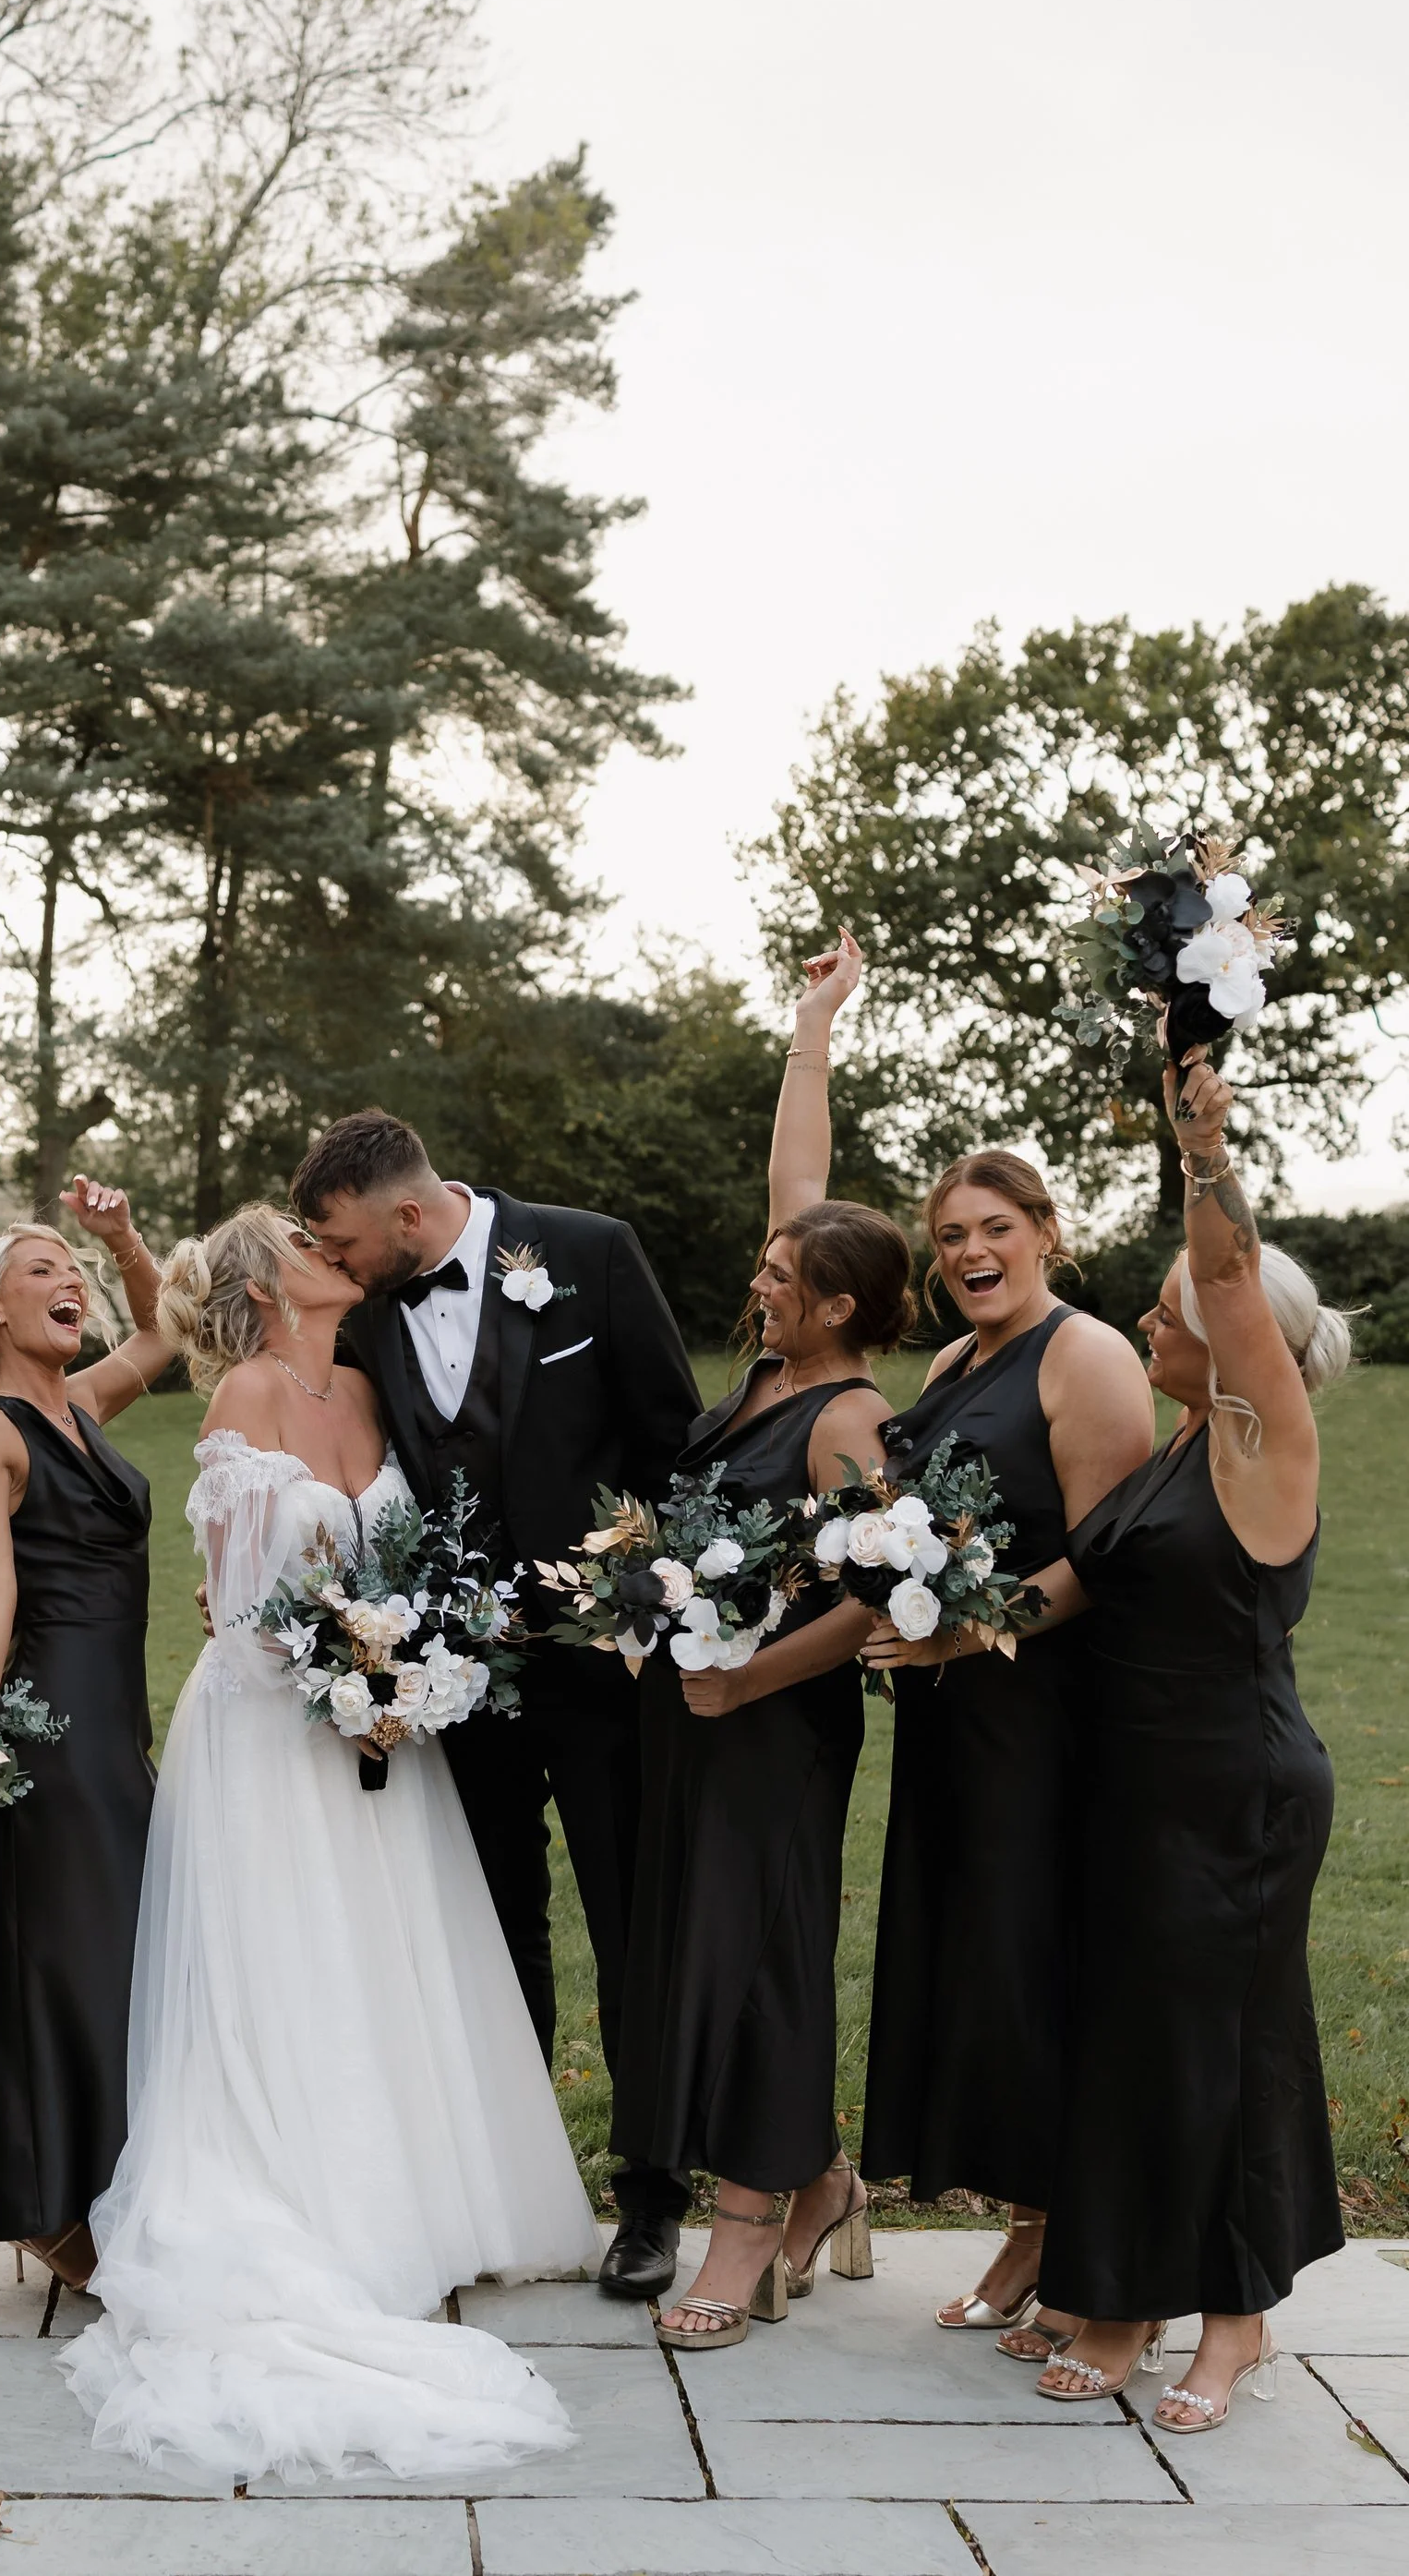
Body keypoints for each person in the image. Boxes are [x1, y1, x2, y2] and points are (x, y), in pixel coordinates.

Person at [60, 1205, 599, 2486]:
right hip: (270, 1733)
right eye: (303, 1236)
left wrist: (406, 1676)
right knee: (287, 1969)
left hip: (384, 1732)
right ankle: (307, 2213)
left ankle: (426, 2207)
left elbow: (411, 1551)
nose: (329, 1244)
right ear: (265, 1277)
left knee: (386, 1960)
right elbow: (244, 1607)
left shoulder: (369, 1380)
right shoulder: (243, 1390)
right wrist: (347, 1683)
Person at [290, 1113, 698, 2304]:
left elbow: (674, 1448)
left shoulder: (596, 1251)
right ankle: (505, 2188)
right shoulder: (369, 1311)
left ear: (406, 1216)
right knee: (488, 1928)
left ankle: (652, 2195)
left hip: (609, 1675)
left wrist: (645, 1610)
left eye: (342, 1238)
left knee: (634, 1920)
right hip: (458, 1682)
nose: (337, 1261)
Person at [1029, 1052, 1345, 2426]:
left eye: (1162, 1312)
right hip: (1134, 1785)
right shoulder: (1168, 1452)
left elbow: (1224, 1278)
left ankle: (1230, 2316)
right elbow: (1092, 1579)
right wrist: (935, 1621)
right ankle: (1124, 2287)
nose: (1145, 1327)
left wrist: (1200, 1146)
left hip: (1234, 1792)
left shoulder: (1256, 1445)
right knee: (1137, 2039)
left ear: (1225, 1340)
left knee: (1221, 2045)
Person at [615, 933, 909, 2347]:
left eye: (784, 1270)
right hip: (701, 1717)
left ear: (841, 1304)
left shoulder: (848, 1419)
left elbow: (882, 1598)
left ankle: (744, 2234)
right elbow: (802, 1187)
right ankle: (823, 2177)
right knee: (707, 1949)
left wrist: (744, 1677)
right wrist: (809, 1027)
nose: (761, 1270)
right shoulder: (766, 1381)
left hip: (772, 1724)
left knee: (758, 1957)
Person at [855, 1148, 1153, 2337]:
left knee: (1037, 1973)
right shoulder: (946, 1360)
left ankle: (1061, 2239)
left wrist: (957, 1640)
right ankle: (1025, 2225)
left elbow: (1100, 1559)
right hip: (950, 1723)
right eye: (948, 1237)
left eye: (993, 1228)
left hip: (1042, 1722)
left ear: (1044, 1228)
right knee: (980, 1970)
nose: (969, 1253)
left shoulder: (1085, 1355)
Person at [0, 1181, 170, 2291]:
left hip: (120, 1723)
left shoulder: (85, 1403)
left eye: (72, 1269)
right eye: (43, 1268)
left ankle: (121, 2186)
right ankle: (47, 2208)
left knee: (125, 1954)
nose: (67, 1279)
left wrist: (123, 1239)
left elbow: (169, 1325)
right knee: (64, 1953)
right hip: (52, 1724)